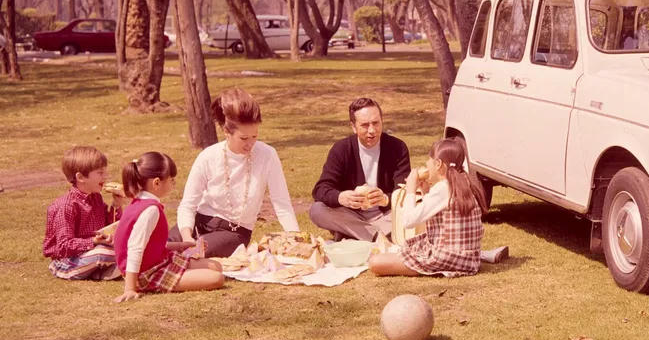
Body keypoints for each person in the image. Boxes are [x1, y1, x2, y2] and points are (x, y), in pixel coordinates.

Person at [172, 88, 300, 258]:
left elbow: (282, 204)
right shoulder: (208, 156)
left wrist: (297, 239)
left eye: (254, 136)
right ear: (226, 132)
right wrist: (187, 237)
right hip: (199, 222)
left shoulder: (267, 155)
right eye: (244, 138)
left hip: (234, 233)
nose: (250, 144)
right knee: (163, 247)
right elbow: (188, 205)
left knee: (193, 253)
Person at [114, 152, 224, 303]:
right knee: (216, 278)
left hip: (161, 260)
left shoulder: (140, 202)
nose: (174, 184)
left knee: (216, 266)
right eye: (172, 180)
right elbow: (135, 249)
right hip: (148, 273)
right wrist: (130, 288)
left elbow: (150, 244)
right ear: (157, 183)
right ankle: (144, 283)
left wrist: (178, 246)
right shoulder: (150, 210)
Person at [368, 138, 486, 277]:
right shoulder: (466, 182)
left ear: (438, 163)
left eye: (429, 160)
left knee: (375, 262)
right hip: (469, 259)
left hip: (447, 258)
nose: (427, 164)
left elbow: (408, 221)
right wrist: (426, 193)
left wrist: (411, 190)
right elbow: (444, 215)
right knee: (409, 246)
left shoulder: (443, 188)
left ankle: (421, 266)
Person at [309, 97, 410, 242]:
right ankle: (376, 236)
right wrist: (341, 197)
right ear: (353, 127)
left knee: (414, 209)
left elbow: (404, 190)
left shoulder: (398, 148)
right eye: (365, 125)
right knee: (317, 210)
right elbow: (320, 190)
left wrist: (386, 199)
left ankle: (352, 234)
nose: (372, 130)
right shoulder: (341, 149)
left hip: (385, 215)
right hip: (351, 214)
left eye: (376, 123)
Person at [43, 146, 127, 280]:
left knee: (128, 244)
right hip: (66, 262)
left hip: (90, 253)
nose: (105, 176)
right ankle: (113, 267)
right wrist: (93, 241)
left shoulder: (96, 198)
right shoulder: (67, 206)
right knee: (103, 253)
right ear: (80, 177)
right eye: (100, 173)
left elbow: (108, 227)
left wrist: (116, 205)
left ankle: (100, 272)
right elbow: (63, 245)